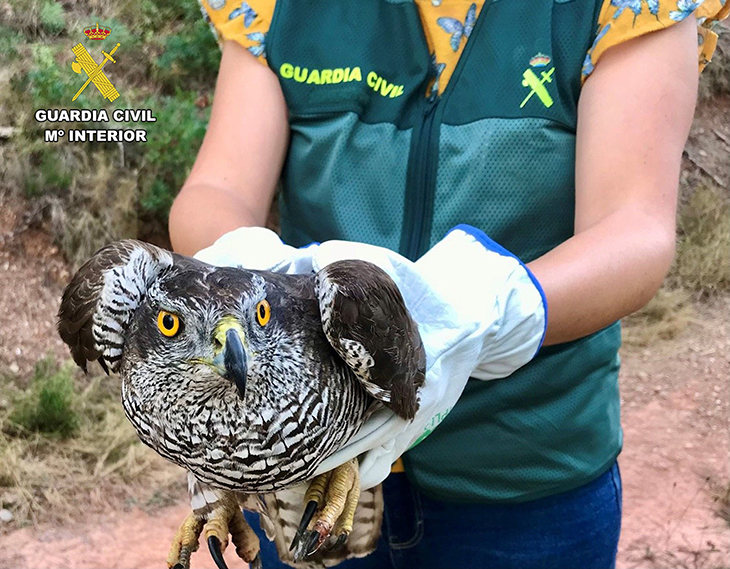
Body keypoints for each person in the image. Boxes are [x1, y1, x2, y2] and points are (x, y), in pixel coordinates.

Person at [168, 1, 728, 567]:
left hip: (523, 474)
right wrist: (253, 278)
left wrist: (485, 314)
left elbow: (632, 230)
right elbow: (217, 189)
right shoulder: (277, 9)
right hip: (300, 458)